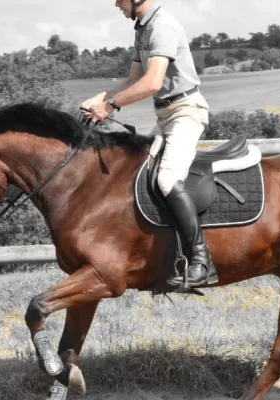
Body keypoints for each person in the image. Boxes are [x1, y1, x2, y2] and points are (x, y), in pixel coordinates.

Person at [80, 0, 218, 289]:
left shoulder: (163, 26)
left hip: (186, 113)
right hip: (165, 115)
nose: (116, 4)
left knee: (167, 179)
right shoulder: (143, 28)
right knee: (137, 170)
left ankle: (202, 261)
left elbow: (152, 83)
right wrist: (100, 98)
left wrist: (111, 106)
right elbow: (133, 80)